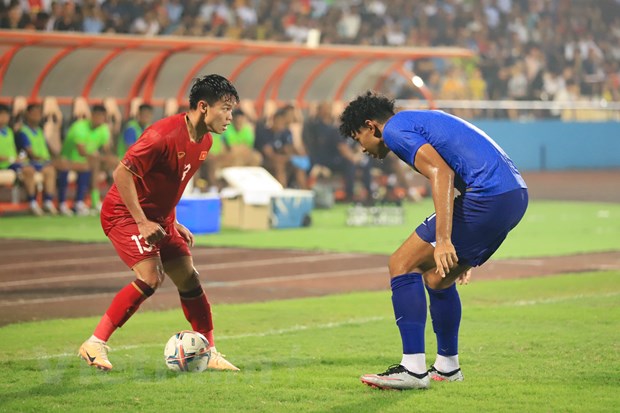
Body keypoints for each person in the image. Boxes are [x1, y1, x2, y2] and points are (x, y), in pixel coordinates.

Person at [339, 91, 528, 390]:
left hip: (488, 198)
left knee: (401, 263)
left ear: (371, 125)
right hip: (513, 196)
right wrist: (463, 248)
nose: (361, 147)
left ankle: (412, 370)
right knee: (438, 279)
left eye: (358, 137)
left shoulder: (395, 130)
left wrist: (444, 240)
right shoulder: (416, 120)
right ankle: (448, 367)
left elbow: (442, 172)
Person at [78, 74, 240, 372]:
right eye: (226, 108)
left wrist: (172, 219)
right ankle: (94, 343)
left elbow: (170, 185)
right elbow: (121, 174)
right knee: (152, 276)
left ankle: (210, 351)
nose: (231, 117)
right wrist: (141, 222)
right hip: (124, 214)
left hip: (159, 218)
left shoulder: (204, 141)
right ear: (203, 107)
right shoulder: (161, 135)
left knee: (189, 277)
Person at [57, 104, 115, 215]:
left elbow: (107, 150)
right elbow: (81, 152)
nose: (99, 119)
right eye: (97, 116)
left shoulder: (103, 129)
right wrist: (99, 157)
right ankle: (87, 201)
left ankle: (115, 203)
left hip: (88, 162)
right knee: (92, 164)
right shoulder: (79, 127)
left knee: (117, 164)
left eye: (102, 117)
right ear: (92, 116)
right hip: (68, 161)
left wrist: (111, 160)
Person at [15, 103, 58, 215]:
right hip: (29, 162)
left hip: (41, 163)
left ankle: (48, 202)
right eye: (33, 113)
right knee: (29, 170)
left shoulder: (39, 131)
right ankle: (32, 202)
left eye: (38, 113)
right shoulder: (22, 131)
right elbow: (29, 152)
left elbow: (48, 150)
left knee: (50, 170)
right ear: (27, 115)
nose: (36, 116)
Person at [0, 104, 40, 215]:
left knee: (44, 168)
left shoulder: (8, 131)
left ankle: (43, 201)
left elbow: (13, 150)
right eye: (1, 115)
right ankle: (32, 202)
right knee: (28, 170)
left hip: (13, 163)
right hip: (4, 164)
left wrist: (20, 157)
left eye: (6, 115)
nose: (4, 118)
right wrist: (12, 159)